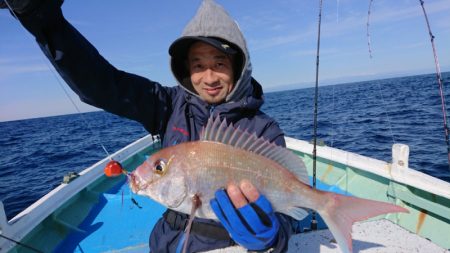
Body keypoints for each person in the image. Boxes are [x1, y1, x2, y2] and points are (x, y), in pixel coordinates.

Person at [2, 0, 298, 252]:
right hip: (166, 242)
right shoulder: (168, 105)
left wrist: (271, 237)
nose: (208, 78)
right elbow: (102, 83)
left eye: (219, 64)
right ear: (186, 70)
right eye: (197, 65)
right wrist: (43, 19)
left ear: (238, 66)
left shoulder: (264, 130)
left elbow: (289, 213)